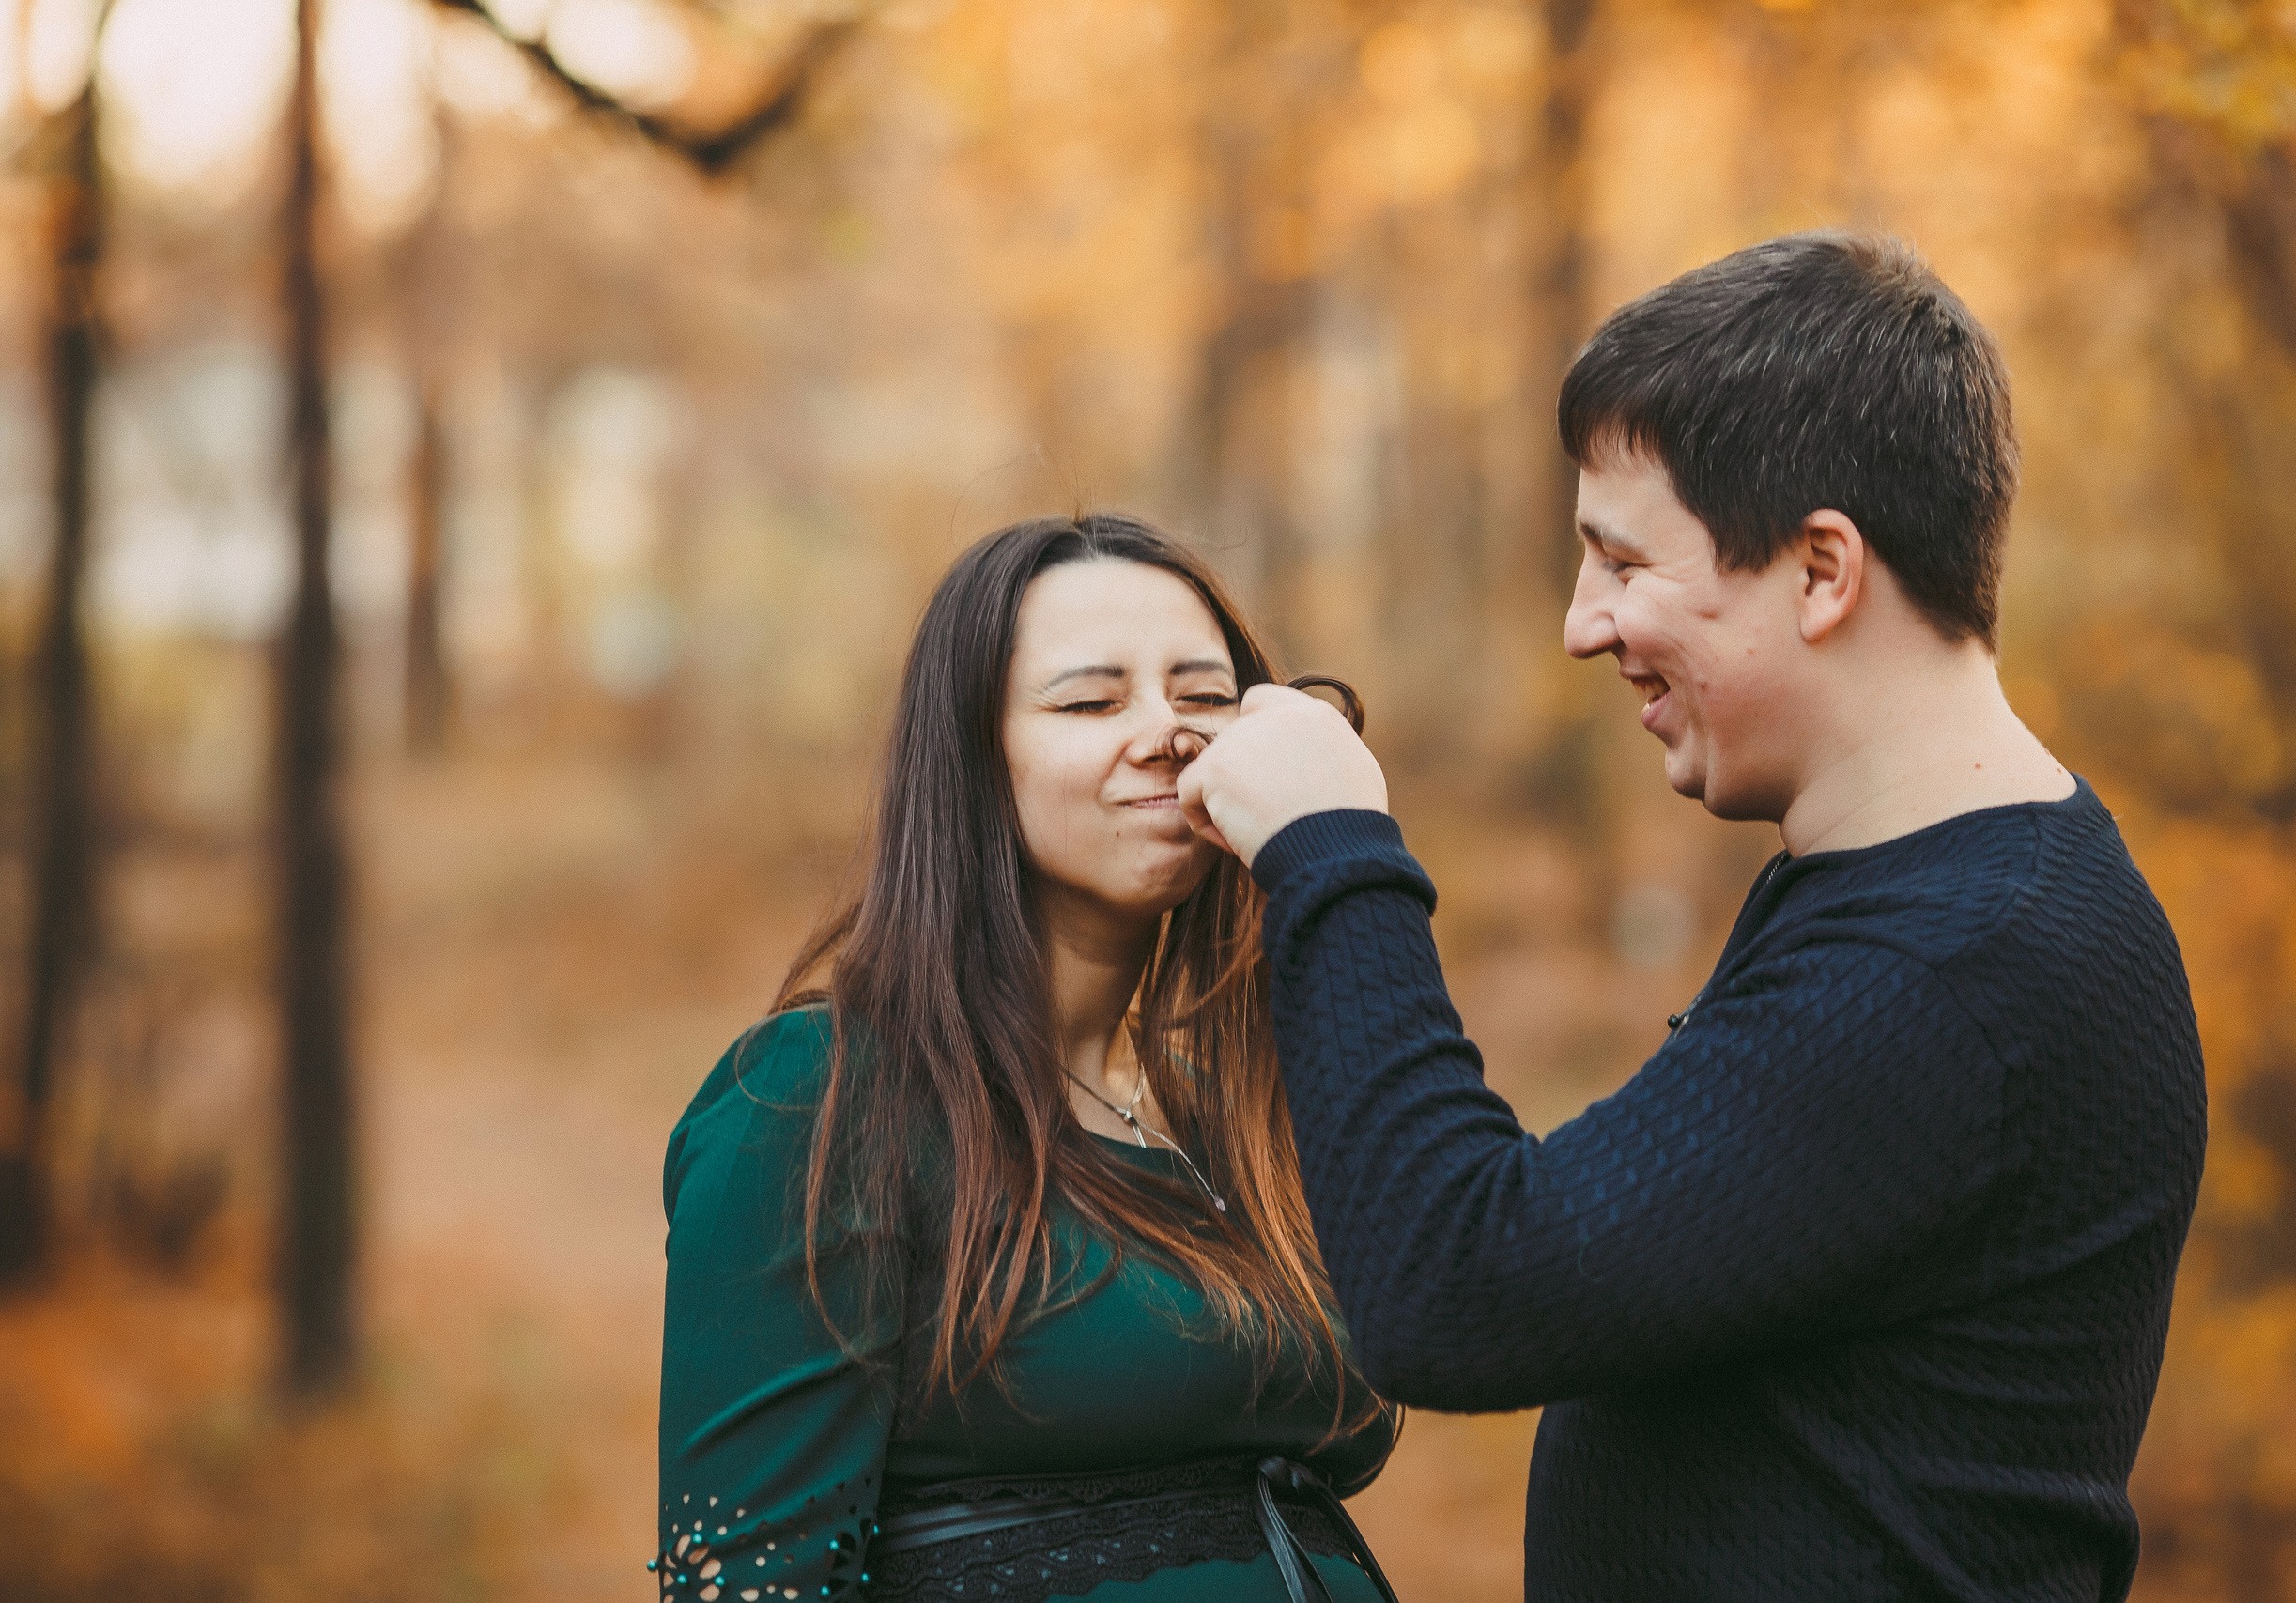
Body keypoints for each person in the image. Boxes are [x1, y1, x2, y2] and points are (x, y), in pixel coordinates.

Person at [1177, 233, 2210, 1602]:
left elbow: (1457, 1285)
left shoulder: (1948, 971)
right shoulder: (1949, 890)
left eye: (1621, 562)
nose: (1582, 625)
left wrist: (1333, 852)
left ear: (1822, 570)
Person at [654, 514, 1400, 1603]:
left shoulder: (1231, 1112)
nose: (1167, 733)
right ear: (971, 762)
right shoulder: (817, 1099)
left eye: (1203, 696)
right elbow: (752, 1580)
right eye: (1091, 703)